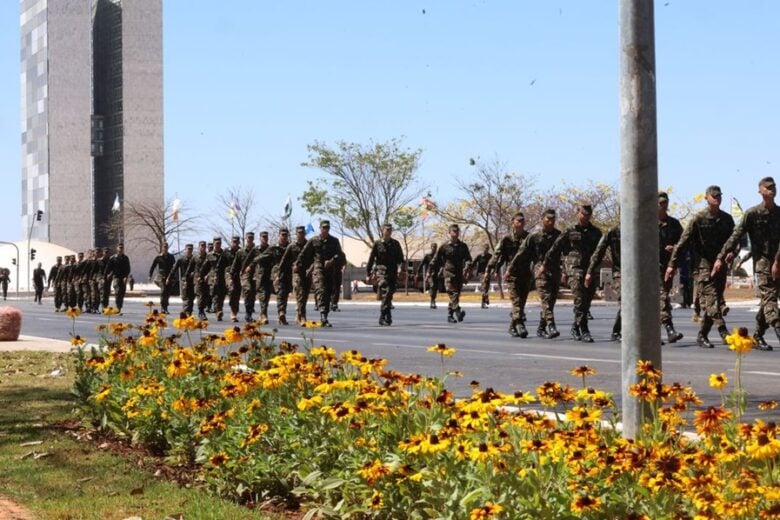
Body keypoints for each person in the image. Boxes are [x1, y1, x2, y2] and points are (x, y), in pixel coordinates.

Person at [713, 176, 779, 351]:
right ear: (760, 191)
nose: (772, 189)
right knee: (770, 298)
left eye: (774, 187)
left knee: (768, 300)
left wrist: (778, 261)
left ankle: (757, 336)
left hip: (778, 262)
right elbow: (736, 236)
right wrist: (721, 256)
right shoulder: (752, 214)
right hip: (763, 263)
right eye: (768, 187)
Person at [666, 185, 734, 348]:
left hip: (720, 265)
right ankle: (724, 332)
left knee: (714, 301)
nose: (717, 198)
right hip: (703, 265)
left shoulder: (727, 219)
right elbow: (682, 242)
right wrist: (672, 265)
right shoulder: (698, 219)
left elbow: (735, 240)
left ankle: (702, 335)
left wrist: (733, 252)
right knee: (712, 301)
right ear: (706, 198)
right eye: (713, 196)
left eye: (719, 196)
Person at [540, 203, 602, 343]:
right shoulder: (570, 231)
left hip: (590, 269)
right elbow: (555, 248)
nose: (585, 217)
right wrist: (545, 264)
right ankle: (584, 329)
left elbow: (599, 251)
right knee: (579, 299)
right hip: (574, 269)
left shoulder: (596, 232)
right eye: (583, 214)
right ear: (577, 213)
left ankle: (575, 326)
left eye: (588, 215)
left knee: (587, 300)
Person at [489, 212, 530, 337]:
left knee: (522, 302)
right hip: (511, 274)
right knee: (516, 301)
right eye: (518, 221)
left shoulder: (529, 238)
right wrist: (492, 269)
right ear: (513, 222)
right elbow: (498, 255)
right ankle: (519, 324)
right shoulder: (506, 239)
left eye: (522, 221)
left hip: (526, 274)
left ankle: (512, 326)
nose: (520, 223)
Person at [296, 220, 344, 327]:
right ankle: (323, 315)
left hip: (330, 270)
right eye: (323, 228)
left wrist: (332, 260)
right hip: (318, 269)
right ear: (320, 228)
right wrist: (298, 264)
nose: (325, 230)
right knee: (321, 290)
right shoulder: (314, 240)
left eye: (327, 228)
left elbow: (339, 254)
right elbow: (304, 253)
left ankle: (325, 317)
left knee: (328, 292)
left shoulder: (334, 241)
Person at [428, 224, 472, 324]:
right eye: (453, 231)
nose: (455, 233)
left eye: (457, 231)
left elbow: (468, 259)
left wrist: (467, 268)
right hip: (448, 272)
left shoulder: (463, 246)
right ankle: (458, 311)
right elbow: (437, 259)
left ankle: (450, 315)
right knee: (453, 293)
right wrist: (431, 269)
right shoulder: (444, 246)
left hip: (459, 273)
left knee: (456, 295)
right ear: (449, 233)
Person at [586, 224, 621, 341]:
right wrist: (590, 271)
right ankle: (617, 332)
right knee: (627, 302)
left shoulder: (642, 230)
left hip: (639, 273)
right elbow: (599, 252)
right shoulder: (613, 232)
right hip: (619, 273)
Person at [658, 192, 685, 343]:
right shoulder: (646, 223)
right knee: (662, 297)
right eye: (661, 203)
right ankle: (669, 329)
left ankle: (653, 333)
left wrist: (674, 249)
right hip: (650, 268)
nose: (664, 206)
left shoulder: (674, 224)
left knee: (661, 300)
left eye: (666, 203)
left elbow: (683, 244)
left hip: (667, 267)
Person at [366, 223, 404, 326]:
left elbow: (401, 259)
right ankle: (383, 315)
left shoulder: (395, 244)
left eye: (390, 230)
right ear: (382, 231)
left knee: (389, 293)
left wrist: (400, 268)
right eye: (387, 230)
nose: (388, 232)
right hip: (381, 272)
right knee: (386, 290)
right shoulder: (377, 244)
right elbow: (371, 258)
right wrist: (368, 273)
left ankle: (387, 314)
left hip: (392, 272)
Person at [254, 228, 292, 325]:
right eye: (282, 235)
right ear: (279, 236)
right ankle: (276, 313)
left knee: (285, 294)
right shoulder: (274, 248)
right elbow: (260, 257)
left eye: (285, 235)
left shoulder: (291, 247)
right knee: (277, 293)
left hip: (288, 274)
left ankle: (281, 314)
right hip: (276, 274)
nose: (284, 237)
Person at [280, 226, 311, 325]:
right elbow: (284, 261)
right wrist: (279, 274)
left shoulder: (309, 245)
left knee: (304, 295)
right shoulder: (292, 246)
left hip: (307, 273)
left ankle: (298, 313)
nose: (300, 235)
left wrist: (311, 268)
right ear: (296, 234)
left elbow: (315, 258)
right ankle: (302, 317)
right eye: (299, 233)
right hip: (296, 273)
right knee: (300, 293)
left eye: (302, 233)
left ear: (304, 234)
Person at [232, 232, 259, 322]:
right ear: (245, 239)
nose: (250, 239)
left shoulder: (257, 250)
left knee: (252, 295)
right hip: (244, 275)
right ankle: (248, 313)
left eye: (251, 238)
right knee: (248, 290)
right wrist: (232, 276)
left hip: (255, 275)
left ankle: (249, 314)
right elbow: (235, 264)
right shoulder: (241, 252)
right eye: (248, 238)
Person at [203, 237, 229, 321]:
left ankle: (219, 309)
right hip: (213, 279)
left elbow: (228, 265)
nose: (218, 245)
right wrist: (203, 275)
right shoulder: (210, 255)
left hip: (222, 278)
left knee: (221, 296)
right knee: (214, 295)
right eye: (216, 243)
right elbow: (205, 267)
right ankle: (217, 311)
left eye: (219, 243)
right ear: (214, 244)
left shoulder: (224, 254)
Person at [169, 243, 196, 316]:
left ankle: (188, 312)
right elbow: (174, 269)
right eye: (188, 249)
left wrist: (195, 273)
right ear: (185, 250)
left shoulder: (195, 259)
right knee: (185, 297)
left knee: (191, 298)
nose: (189, 251)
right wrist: (169, 278)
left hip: (192, 281)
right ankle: (186, 312)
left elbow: (199, 269)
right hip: (184, 281)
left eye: (190, 249)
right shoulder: (181, 260)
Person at [149, 243, 175, 313]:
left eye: (166, 247)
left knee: (168, 292)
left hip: (169, 277)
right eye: (164, 247)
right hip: (161, 277)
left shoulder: (171, 257)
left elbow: (174, 267)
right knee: (163, 291)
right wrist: (150, 275)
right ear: (162, 248)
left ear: (168, 248)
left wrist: (172, 277)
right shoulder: (158, 257)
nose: (165, 248)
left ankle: (165, 306)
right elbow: (153, 266)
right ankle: (163, 307)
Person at [253, 231, 273, 324]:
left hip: (269, 275)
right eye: (263, 237)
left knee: (267, 295)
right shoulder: (256, 249)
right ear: (260, 238)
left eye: (266, 237)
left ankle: (262, 313)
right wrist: (265, 255)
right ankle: (264, 314)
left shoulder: (271, 248)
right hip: (259, 275)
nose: (265, 238)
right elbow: (254, 259)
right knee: (262, 295)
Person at [105, 243, 131, 314]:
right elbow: (108, 268)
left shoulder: (125, 258)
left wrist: (126, 276)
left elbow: (128, 268)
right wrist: (108, 274)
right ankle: (117, 307)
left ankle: (119, 307)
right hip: (116, 277)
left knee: (122, 292)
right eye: (119, 247)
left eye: (122, 248)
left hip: (123, 277)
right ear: (117, 248)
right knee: (117, 291)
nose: (121, 249)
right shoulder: (113, 258)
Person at [223, 236, 242, 322]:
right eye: (233, 241)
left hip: (238, 274)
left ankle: (235, 311)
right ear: (231, 242)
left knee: (237, 294)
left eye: (236, 242)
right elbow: (220, 263)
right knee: (231, 291)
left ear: (239, 242)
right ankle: (232, 312)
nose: (235, 243)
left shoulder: (241, 251)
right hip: (229, 274)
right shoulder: (226, 251)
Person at [417, 243, 439, 309]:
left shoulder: (438, 256)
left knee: (435, 287)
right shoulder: (428, 256)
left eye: (435, 247)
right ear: (431, 247)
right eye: (432, 247)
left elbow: (442, 264)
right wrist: (418, 272)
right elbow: (422, 263)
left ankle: (433, 300)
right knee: (432, 285)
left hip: (437, 274)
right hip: (429, 274)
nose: (434, 248)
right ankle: (432, 301)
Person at [193, 241, 210, 320]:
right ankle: (201, 311)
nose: (203, 247)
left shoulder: (208, 257)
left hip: (206, 279)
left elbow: (212, 267)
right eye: (201, 246)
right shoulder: (195, 257)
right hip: (198, 279)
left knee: (206, 295)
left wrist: (208, 275)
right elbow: (190, 266)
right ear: (199, 247)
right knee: (200, 295)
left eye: (204, 246)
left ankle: (202, 309)